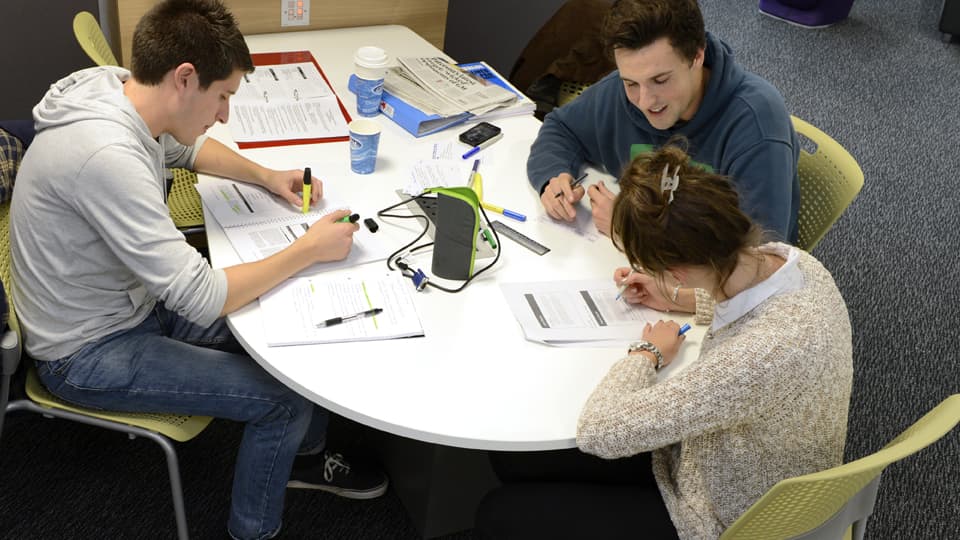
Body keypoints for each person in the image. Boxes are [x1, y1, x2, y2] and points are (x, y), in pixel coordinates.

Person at [9, 1, 386, 538]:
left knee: (294, 337)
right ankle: (254, 528)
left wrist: (266, 175)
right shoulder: (105, 156)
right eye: (223, 96)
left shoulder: (121, 89)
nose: (226, 113)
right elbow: (205, 297)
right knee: (281, 397)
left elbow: (186, 151)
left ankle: (299, 457)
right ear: (185, 79)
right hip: (87, 351)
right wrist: (308, 247)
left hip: (128, 302)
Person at [477, 142, 852, 539]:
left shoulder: (756, 358)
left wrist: (646, 354)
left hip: (726, 516)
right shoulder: (790, 262)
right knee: (514, 459)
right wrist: (676, 296)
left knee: (499, 514)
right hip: (753, 459)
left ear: (675, 270)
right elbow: (742, 301)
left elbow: (598, 431)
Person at [529, 0, 800, 244]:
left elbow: (760, 258)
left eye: (660, 80)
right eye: (631, 83)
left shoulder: (756, 123)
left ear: (697, 55)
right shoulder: (621, 91)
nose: (645, 101)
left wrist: (633, 233)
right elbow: (561, 128)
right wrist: (554, 176)